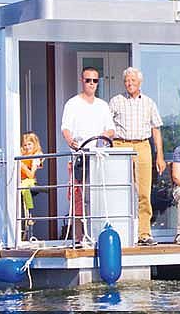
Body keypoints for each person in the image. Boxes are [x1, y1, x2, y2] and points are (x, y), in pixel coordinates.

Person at [109, 67, 165, 245]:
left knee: (144, 191)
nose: (129, 83)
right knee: (120, 190)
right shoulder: (116, 101)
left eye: (133, 80)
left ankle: (144, 233)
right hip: (121, 144)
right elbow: (107, 126)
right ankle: (118, 230)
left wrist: (160, 156)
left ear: (140, 82)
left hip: (142, 145)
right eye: (127, 80)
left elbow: (156, 130)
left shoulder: (148, 102)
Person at [60, 67, 113, 237]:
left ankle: (98, 234)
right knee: (77, 198)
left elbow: (111, 129)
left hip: (98, 157)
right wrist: (70, 141)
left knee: (98, 196)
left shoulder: (103, 106)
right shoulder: (73, 103)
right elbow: (65, 128)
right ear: (82, 81)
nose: (91, 84)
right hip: (79, 158)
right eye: (88, 80)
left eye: (95, 81)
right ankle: (78, 237)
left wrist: (105, 135)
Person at [18, 132, 43, 236]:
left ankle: (30, 214)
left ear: (34, 144)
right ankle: (25, 218)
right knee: (21, 187)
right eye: (25, 145)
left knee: (24, 188)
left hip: (29, 181)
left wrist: (22, 166)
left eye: (29, 144)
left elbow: (31, 175)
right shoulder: (21, 154)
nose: (27, 147)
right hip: (20, 180)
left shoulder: (36, 156)